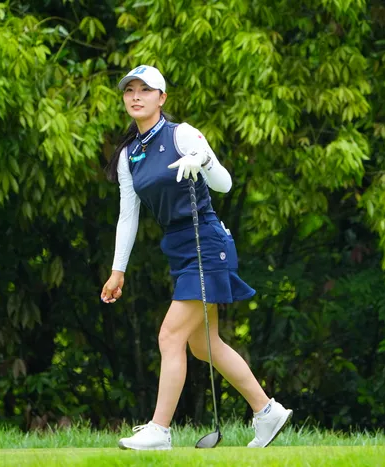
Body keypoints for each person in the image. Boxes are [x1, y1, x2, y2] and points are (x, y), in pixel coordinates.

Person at [101, 65, 293, 450]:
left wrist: (203, 161)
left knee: (170, 335)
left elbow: (225, 183)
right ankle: (267, 411)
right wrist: (117, 270)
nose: (136, 96)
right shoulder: (129, 154)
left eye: (145, 90)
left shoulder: (182, 134)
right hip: (180, 249)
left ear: (162, 98)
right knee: (204, 345)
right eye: (129, 90)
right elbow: (128, 215)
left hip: (207, 242)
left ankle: (159, 430)